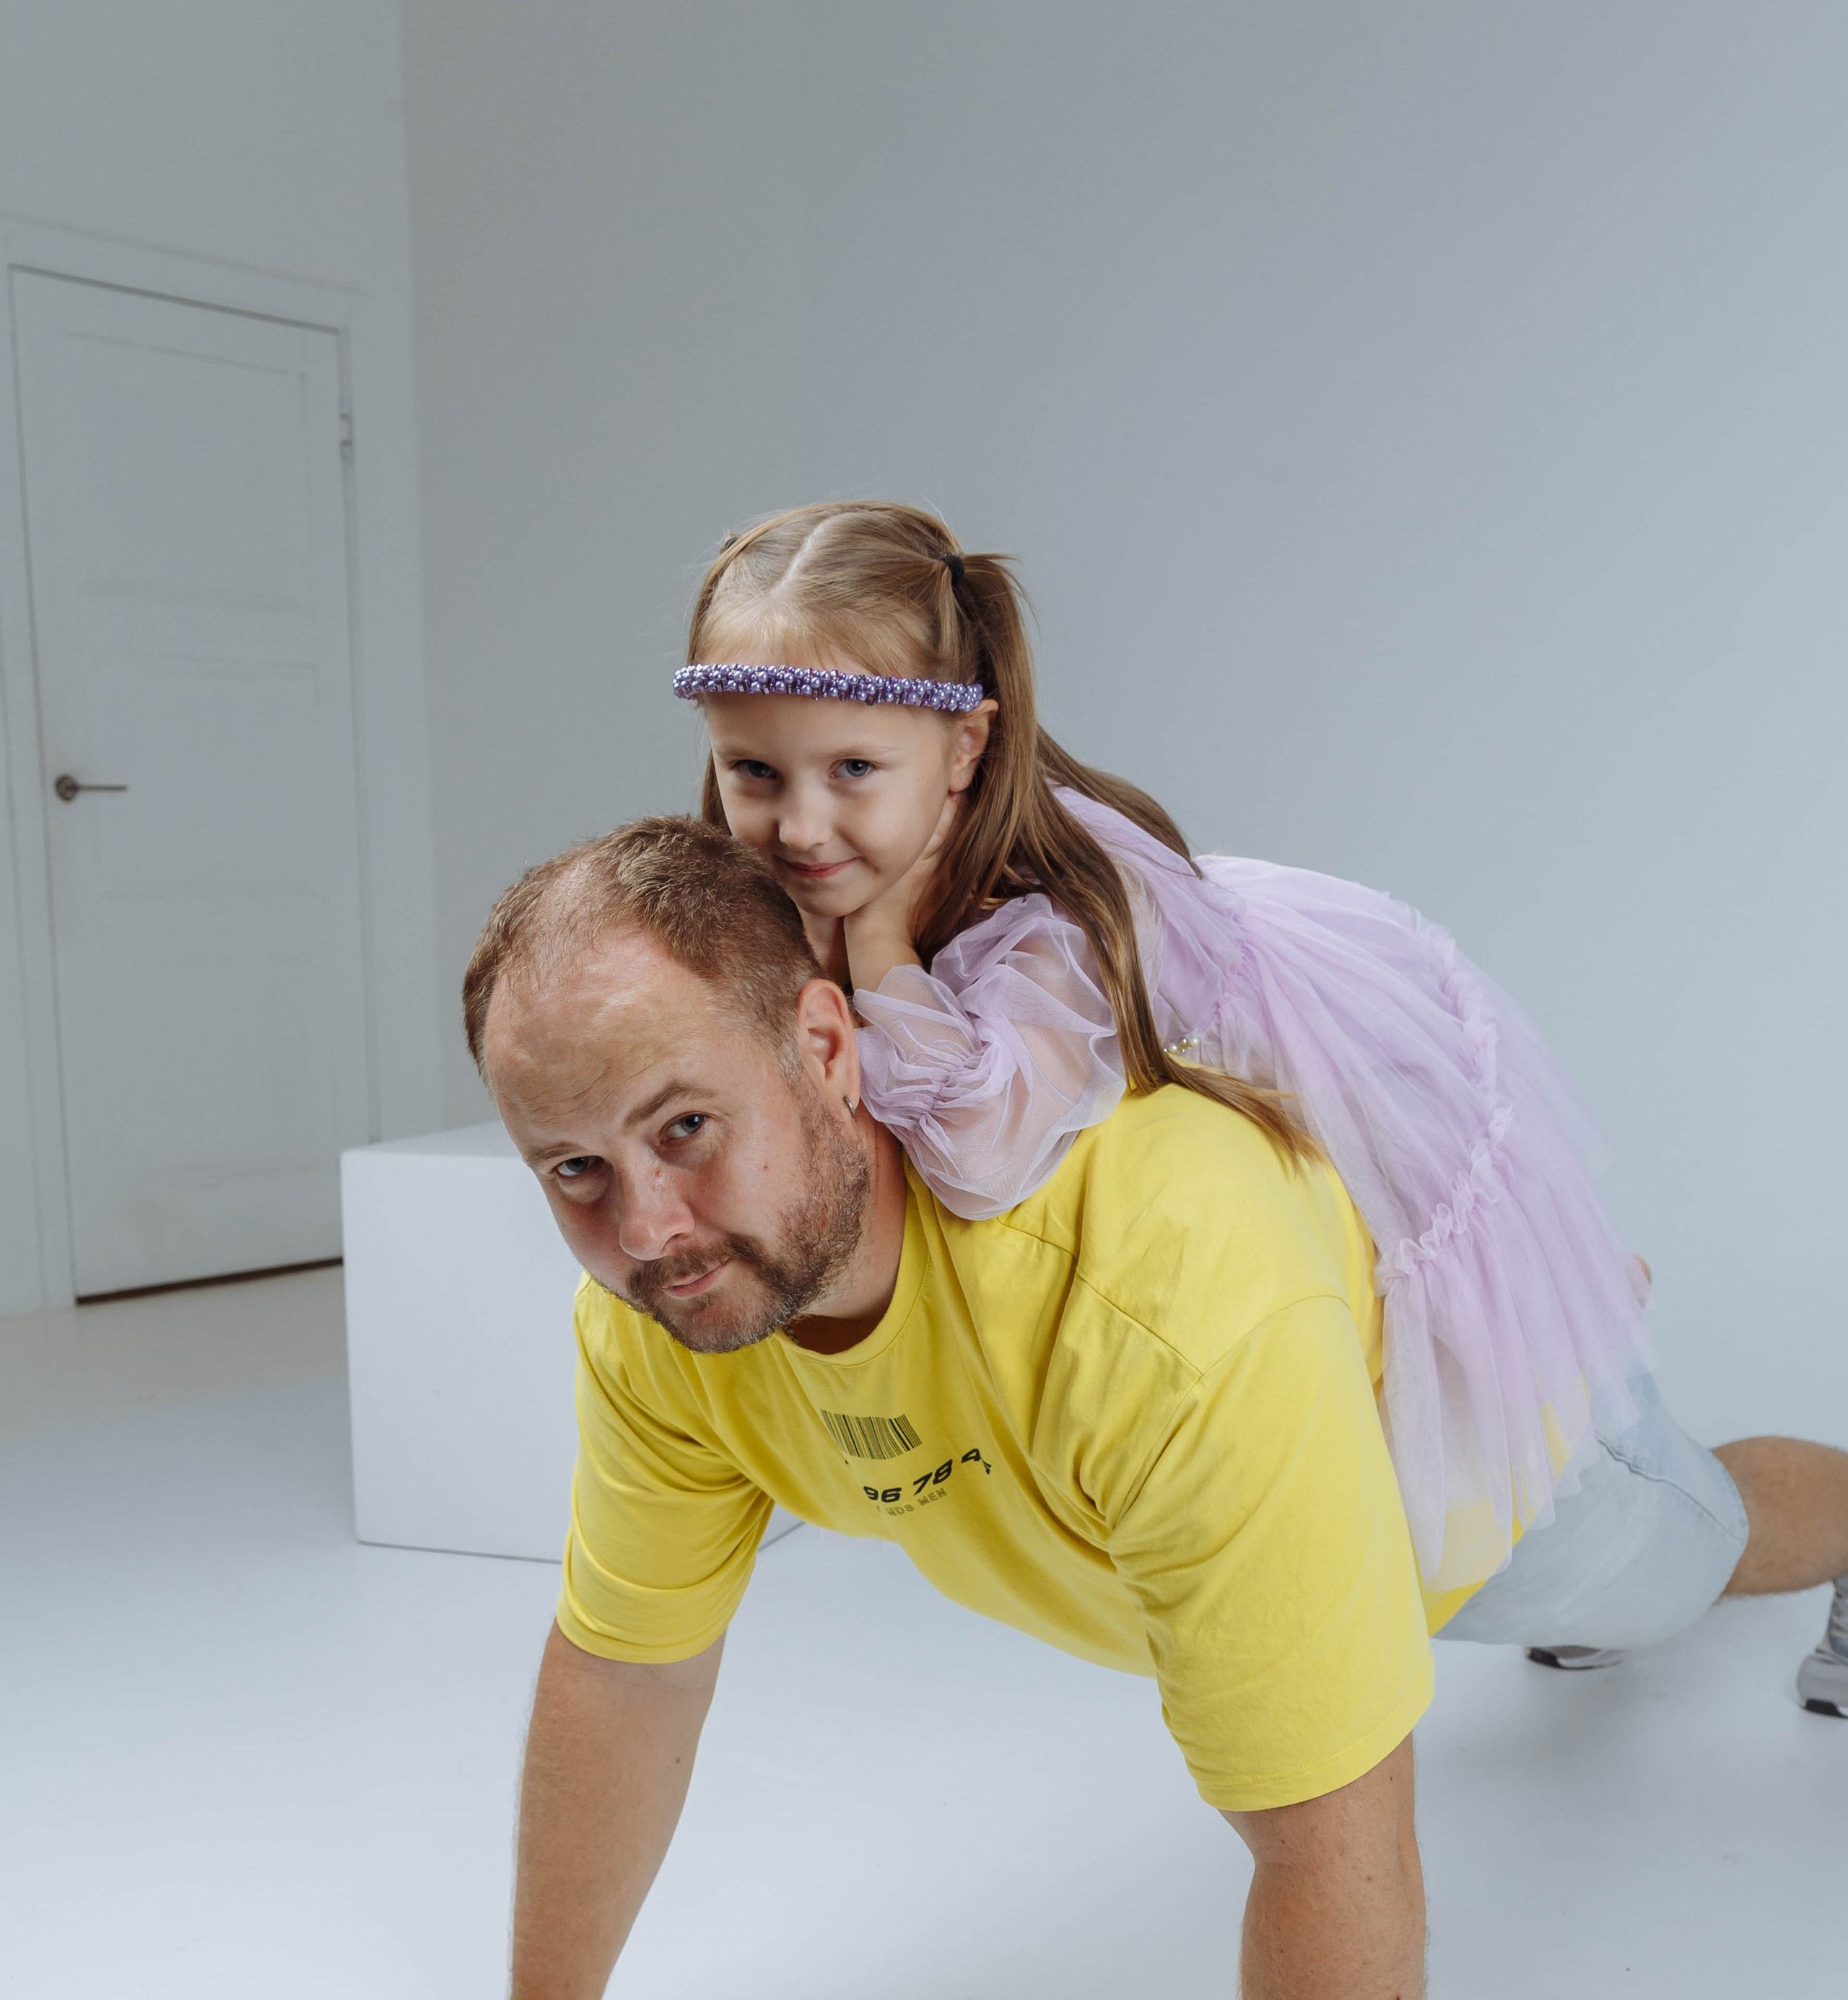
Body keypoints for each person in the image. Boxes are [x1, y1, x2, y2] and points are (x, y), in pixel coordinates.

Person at [299, 811, 1848, 2000]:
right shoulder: (668, 1328)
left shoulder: (1154, 1280)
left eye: (682, 1129)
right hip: (1262, 1510)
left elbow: (1330, 1828)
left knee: (1683, 1548)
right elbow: (624, 1669)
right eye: (571, 1171)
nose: (645, 1228)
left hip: (1471, 1499)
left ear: (822, 1042)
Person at [671, 499, 1848, 1692]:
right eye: (753, 770)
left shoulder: (1048, 923)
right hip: (1280, 1330)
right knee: (1548, 1557)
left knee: (1683, 1545)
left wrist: (876, 944)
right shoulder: (823, 878)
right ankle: (1586, 1385)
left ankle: (1624, 1391)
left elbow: (978, 1154)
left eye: (853, 771)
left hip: (1397, 1272)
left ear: (966, 749)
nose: (801, 824)